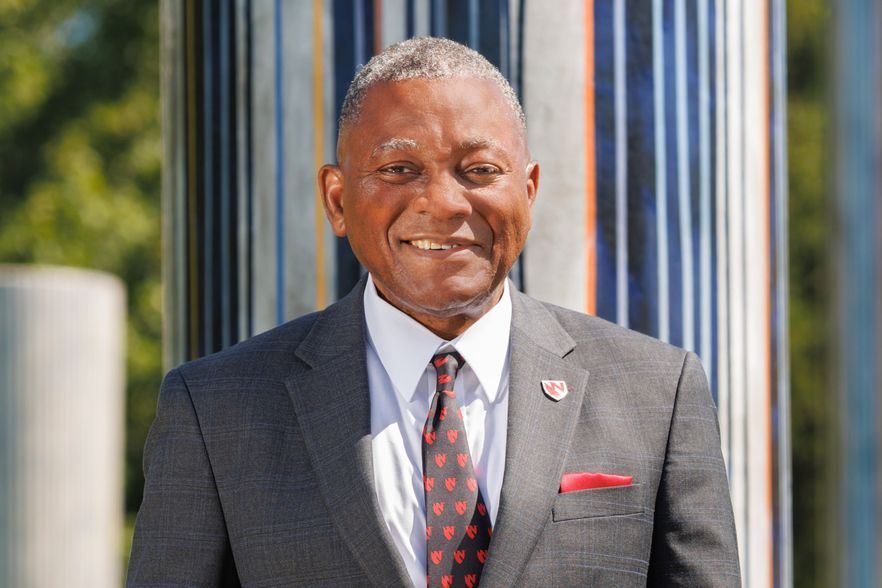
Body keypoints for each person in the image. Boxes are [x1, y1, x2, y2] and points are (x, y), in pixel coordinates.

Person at [128, 37, 740, 587]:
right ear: (337, 200)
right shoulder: (215, 409)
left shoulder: (658, 392)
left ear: (527, 192)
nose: (444, 203)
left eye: (479, 171)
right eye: (400, 169)